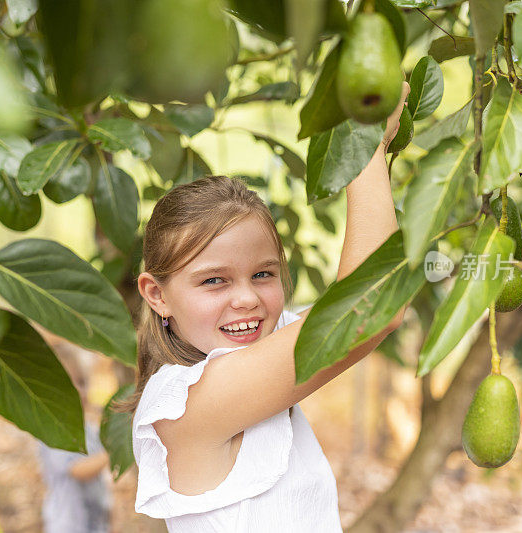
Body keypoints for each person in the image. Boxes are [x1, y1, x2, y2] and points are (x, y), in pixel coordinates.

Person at [118, 83, 411, 532]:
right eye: (214, 281)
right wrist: (365, 145)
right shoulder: (186, 404)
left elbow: (358, 300)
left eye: (263, 274)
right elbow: (370, 308)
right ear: (157, 295)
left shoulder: (252, 352)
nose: (248, 299)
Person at [38, 342, 112, 533]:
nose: (79, 391)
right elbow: (78, 470)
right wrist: (111, 453)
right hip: (69, 523)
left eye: (80, 382)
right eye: (67, 386)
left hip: (94, 520)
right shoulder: (52, 430)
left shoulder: (85, 427)